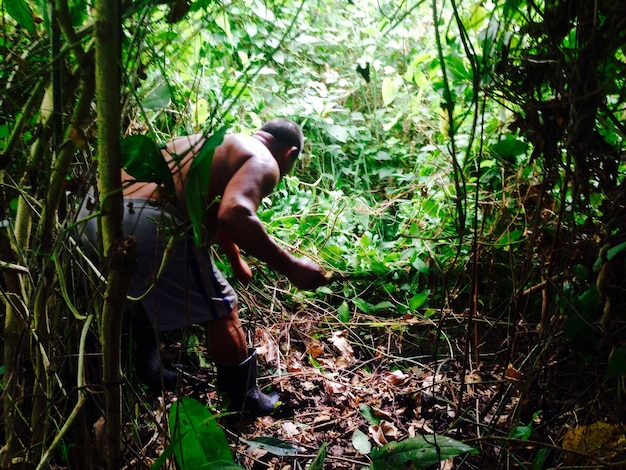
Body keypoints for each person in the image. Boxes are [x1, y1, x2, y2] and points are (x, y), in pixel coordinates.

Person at [79, 118, 329, 417]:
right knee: (222, 308)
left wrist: (235, 259)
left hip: (96, 210)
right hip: (147, 220)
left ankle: (150, 370)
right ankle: (244, 400)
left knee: (138, 286)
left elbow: (214, 207)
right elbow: (235, 212)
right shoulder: (264, 159)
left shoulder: (217, 142)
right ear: (289, 153)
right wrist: (292, 267)